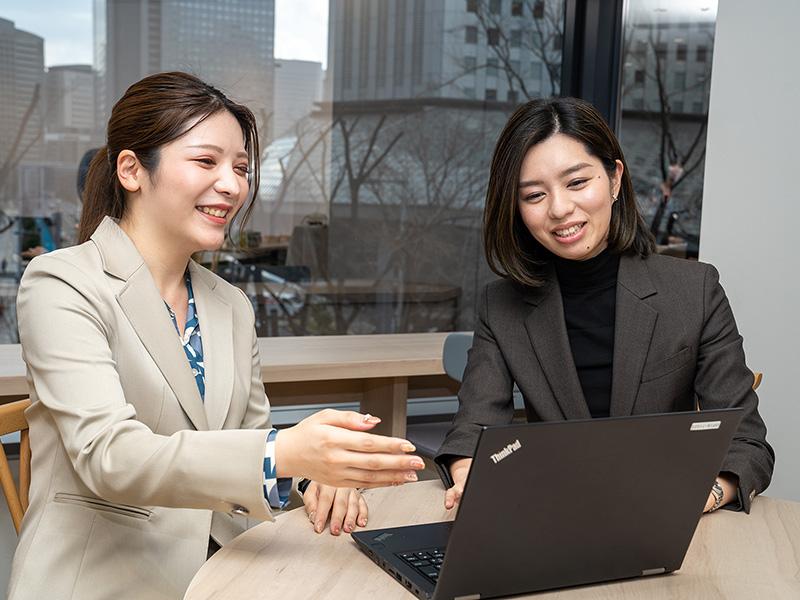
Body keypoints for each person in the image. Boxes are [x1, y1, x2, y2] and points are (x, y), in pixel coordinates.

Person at [7, 72, 423, 600]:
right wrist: (286, 453)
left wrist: (315, 478)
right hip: (102, 581)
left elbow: (252, 439)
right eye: (207, 162)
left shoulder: (229, 304)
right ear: (132, 170)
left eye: (242, 168)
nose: (232, 184)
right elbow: (110, 456)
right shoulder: (61, 283)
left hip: (228, 574)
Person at [434, 96, 774, 516]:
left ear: (615, 179)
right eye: (535, 195)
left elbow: (747, 444)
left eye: (577, 183)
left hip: (665, 522)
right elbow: (473, 431)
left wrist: (705, 494)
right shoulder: (502, 304)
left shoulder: (694, 290)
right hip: (554, 516)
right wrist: (470, 477)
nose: (559, 209)